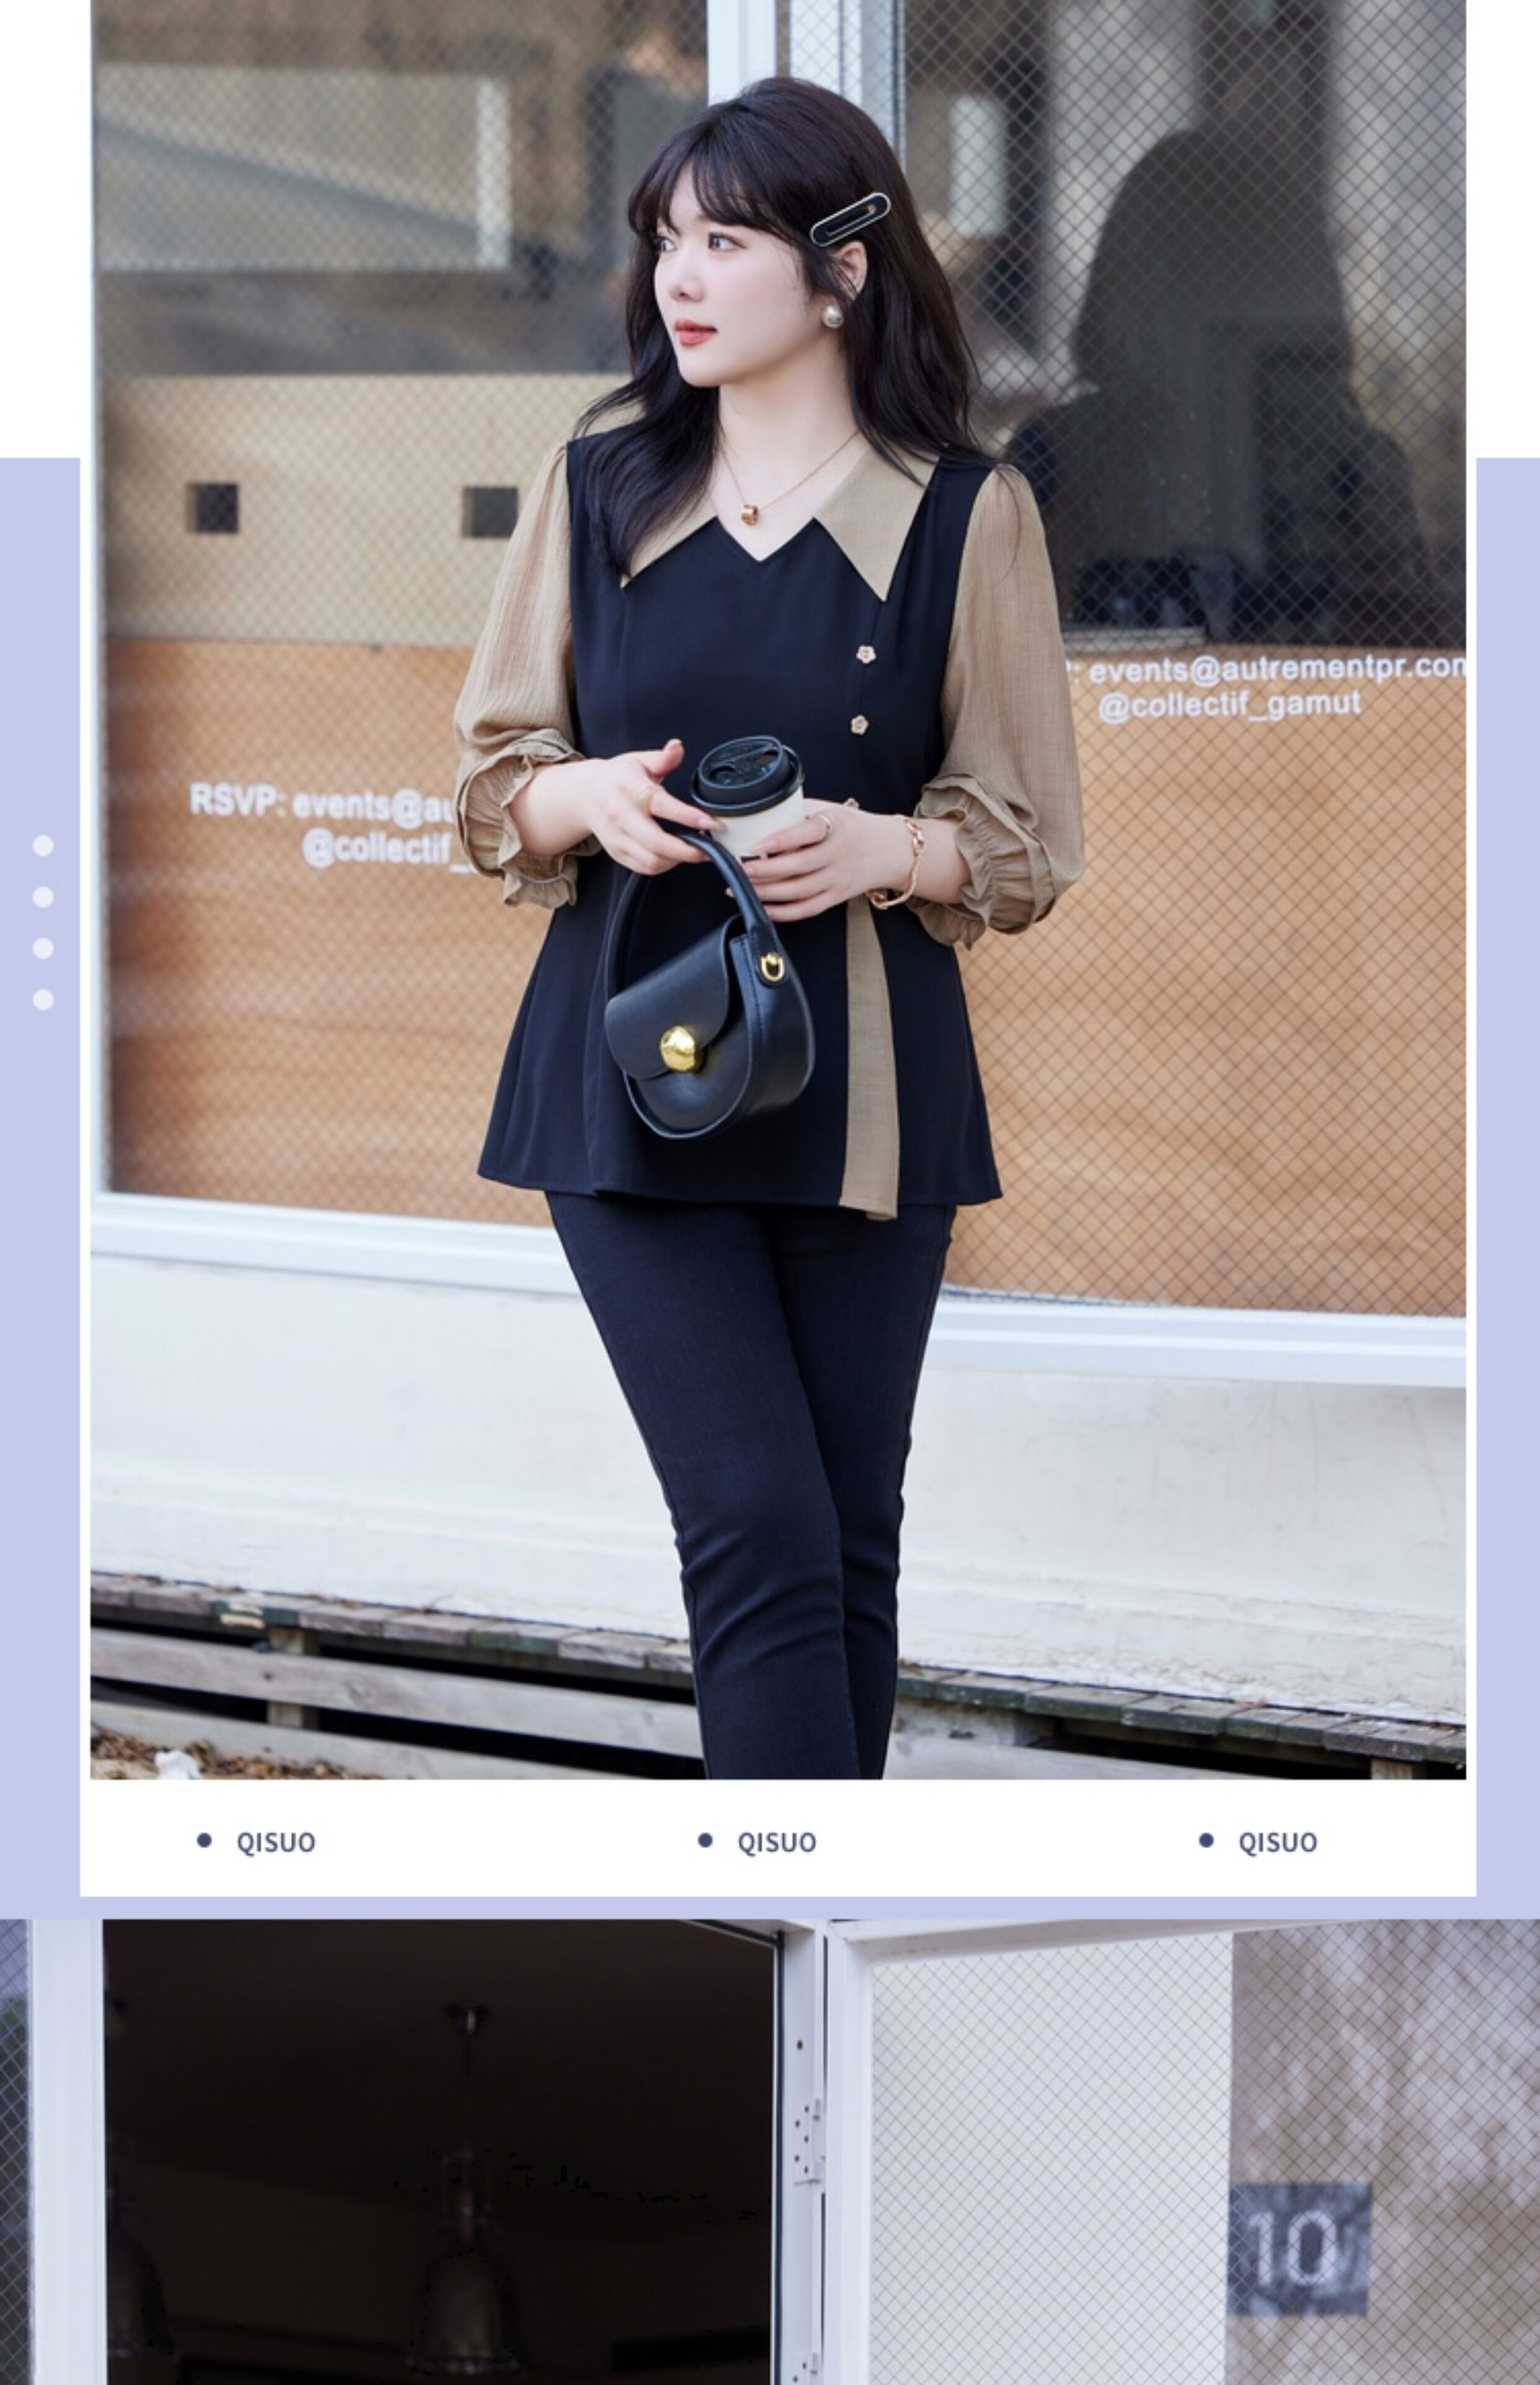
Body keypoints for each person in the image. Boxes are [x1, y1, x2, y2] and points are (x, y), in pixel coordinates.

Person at [452, 76, 1084, 1780]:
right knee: (754, 1522)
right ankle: (783, 1903)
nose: (680, 275)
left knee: (845, 1538)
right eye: (667, 239)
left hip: (866, 1091)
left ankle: (826, 1906)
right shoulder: (597, 484)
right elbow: (492, 783)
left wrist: (883, 846)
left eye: (725, 241)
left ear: (843, 269)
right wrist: (588, 800)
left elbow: (1026, 842)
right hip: (627, 1077)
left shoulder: (965, 516)